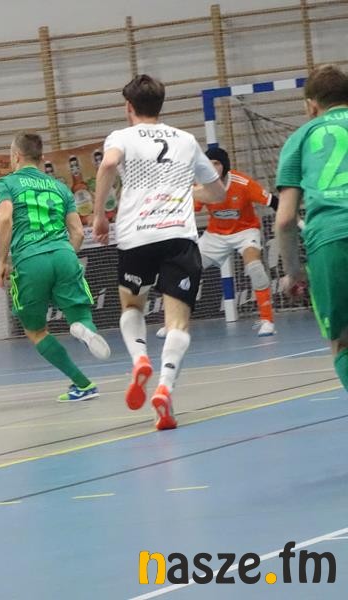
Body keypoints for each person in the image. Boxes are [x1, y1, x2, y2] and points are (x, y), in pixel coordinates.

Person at [92, 74, 226, 430]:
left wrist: (99, 214)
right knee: (177, 323)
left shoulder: (121, 137)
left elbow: (108, 164)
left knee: (132, 306)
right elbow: (218, 193)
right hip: (179, 236)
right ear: (160, 105)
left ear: (129, 107)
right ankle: (165, 389)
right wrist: (186, 191)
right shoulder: (185, 140)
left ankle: (139, 359)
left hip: (137, 236)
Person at [0, 132, 111, 402]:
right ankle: (85, 330)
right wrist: (65, 256)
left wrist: (1, 260)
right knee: (79, 315)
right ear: (41, 157)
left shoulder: (6, 183)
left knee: (35, 330)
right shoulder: (60, 187)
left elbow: (5, 218)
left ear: (16, 156)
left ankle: (82, 384)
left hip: (30, 259)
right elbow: (78, 232)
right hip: (64, 253)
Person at [276, 64, 348, 392]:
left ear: (311, 105)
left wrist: (294, 272)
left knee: (343, 342)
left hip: (330, 240)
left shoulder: (301, 138)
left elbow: (285, 219)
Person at [158, 147, 280, 338]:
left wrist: (296, 223)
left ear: (225, 165)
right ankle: (173, 322)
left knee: (255, 268)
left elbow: (274, 202)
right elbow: (189, 208)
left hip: (245, 231)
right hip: (215, 236)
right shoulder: (203, 185)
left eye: (217, 163)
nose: (213, 167)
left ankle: (267, 321)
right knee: (182, 270)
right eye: (209, 163)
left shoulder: (243, 182)